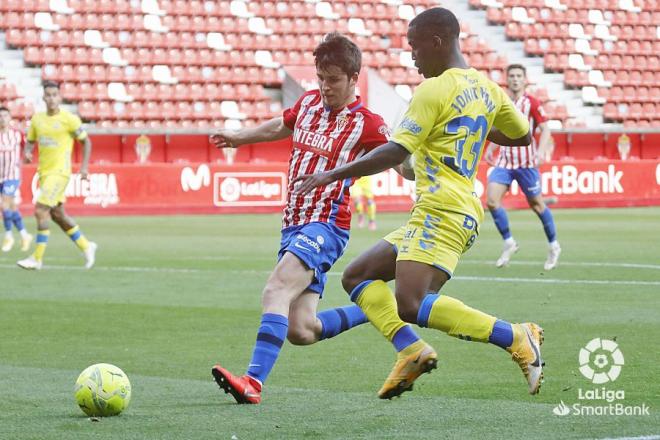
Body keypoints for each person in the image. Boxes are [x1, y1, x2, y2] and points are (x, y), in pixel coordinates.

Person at [294, 8, 545, 399]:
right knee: (356, 277)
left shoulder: (432, 90)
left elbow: (395, 153)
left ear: (437, 42)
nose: (411, 56)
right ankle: (411, 350)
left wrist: (331, 174)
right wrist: (473, 128)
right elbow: (522, 136)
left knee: (410, 304)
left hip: (444, 211)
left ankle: (515, 336)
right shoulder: (487, 90)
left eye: (414, 47)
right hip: (440, 211)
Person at [209, 33, 391, 404]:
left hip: (326, 224)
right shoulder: (308, 103)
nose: (325, 87)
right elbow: (280, 125)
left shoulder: (368, 123)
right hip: (292, 224)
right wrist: (238, 138)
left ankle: (253, 383)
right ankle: (374, 308)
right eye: (321, 77)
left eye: (334, 79)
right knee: (302, 329)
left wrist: (421, 170)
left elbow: (398, 156)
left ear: (354, 78)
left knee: (275, 289)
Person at [483, 64, 561, 270]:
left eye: (519, 76)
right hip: (505, 162)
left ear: (525, 80)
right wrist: (491, 147)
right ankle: (509, 243)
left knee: (537, 204)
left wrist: (541, 151)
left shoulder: (532, 103)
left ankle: (554, 245)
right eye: (512, 76)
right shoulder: (503, 102)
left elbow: (545, 129)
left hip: (527, 163)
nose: (515, 79)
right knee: (492, 201)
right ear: (507, 80)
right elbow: (501, 130)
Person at [17, 81, 97, 270]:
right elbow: (30, 141)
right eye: (48, 95)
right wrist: (27, 153)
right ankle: (87, 246)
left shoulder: (69, 119)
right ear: (43, 97)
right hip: (44, 173)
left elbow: (86, 142)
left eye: (55, 95)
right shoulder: (37, 119)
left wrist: (84, 168)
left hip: (60, 173)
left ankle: (37, 258)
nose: (52, 99)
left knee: (40, 210)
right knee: (57, 215)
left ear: (60, 97)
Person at [0, 106, 33, 252]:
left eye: (5, 116)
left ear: (9, 118)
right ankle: (24, 235)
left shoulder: (17, 134)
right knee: (12, 207)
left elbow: (28, 147)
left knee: (4, 205)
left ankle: (8, 236)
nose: (2, 118)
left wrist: (27, 156)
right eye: (0, 116)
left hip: (12, 175)